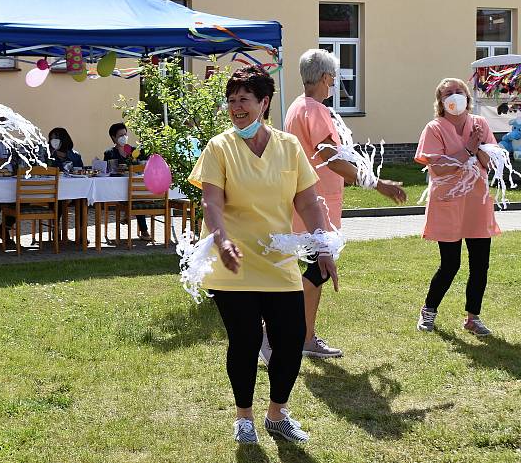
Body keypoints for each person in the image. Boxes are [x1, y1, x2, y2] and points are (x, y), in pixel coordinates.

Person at [188, 65, 339, 445]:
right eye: (231, 100)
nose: (236, 107)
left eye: (244, 99)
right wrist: (221, 240)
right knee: (245, 341)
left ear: (264, 102)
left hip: (277, 261)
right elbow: (211, 202)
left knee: (290, 339)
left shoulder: (288, 147)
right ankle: (244, 418)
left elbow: (307, 201)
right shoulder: (219, 147)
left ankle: (277, 413)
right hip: (233, 262)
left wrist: (323, 245)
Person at [278, 49, 406, 360]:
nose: (334, 83)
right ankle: (293, 335)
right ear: (325, 78)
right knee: (317, 270)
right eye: (333, 78)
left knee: (313, 269)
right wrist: (377, 184)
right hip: (315, 205)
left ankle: (301, 336)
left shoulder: (298, 107)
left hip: (307, 201)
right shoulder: (316, 111)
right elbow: (330, 157)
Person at [415, 78, 499, 336]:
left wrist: (478, 148)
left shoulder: (480, 124)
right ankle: (428, 311)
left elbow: (490, 162)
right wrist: (469, 149)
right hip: (449, 202)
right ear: (441, 102)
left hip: (477, 202)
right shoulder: (435, 128)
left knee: (480, 264)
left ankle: (473, 317)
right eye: (448, 93)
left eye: (459, 91)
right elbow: (438, 167)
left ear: (467, 96)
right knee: (450, 264)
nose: (454, 96)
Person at [103, 122, 151, 241]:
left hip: (134, 188)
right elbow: (107, 170)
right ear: (114, 138)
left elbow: (145, 165)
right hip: (117, 188)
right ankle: (142, 228)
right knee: (135, 196)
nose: (124, 137)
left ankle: (136, 222)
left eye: (125, 134)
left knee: (136, 194)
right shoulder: (109, 153)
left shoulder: (134, 151)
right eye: (120, 135)